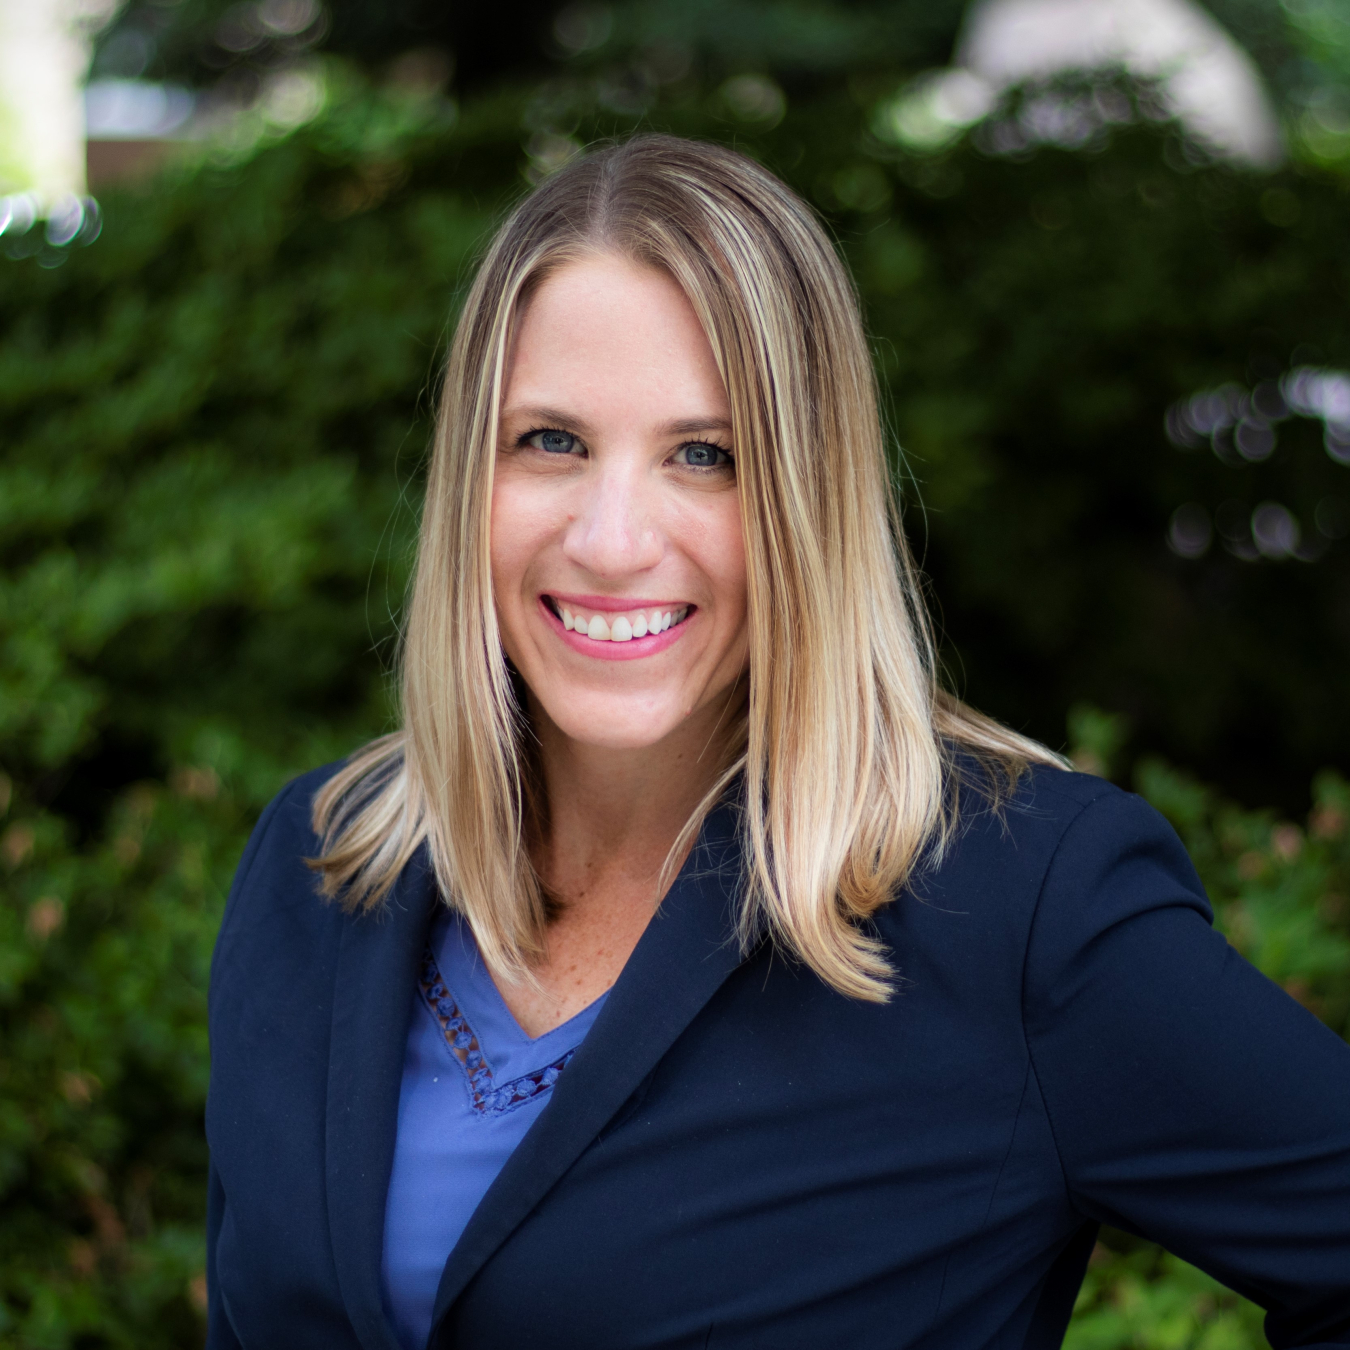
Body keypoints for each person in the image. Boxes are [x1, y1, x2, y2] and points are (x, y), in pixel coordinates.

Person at [206, 135, 1350, 1350]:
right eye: (551, 441)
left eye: (707, 456)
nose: (610, 538)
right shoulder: (318, 867)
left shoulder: (1019, 908)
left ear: (808, 497)